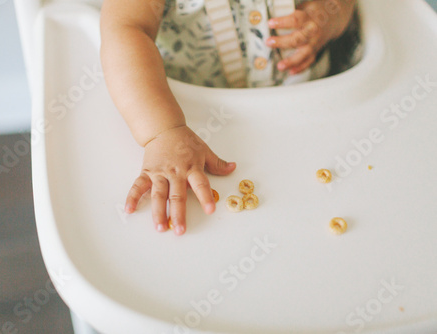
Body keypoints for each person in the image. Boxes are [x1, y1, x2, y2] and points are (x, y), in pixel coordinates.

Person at [100, 0, 358, 235]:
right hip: (191, 114)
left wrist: (330, 15)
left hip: (312, 103)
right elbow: (126, 29)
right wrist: (161, 131)